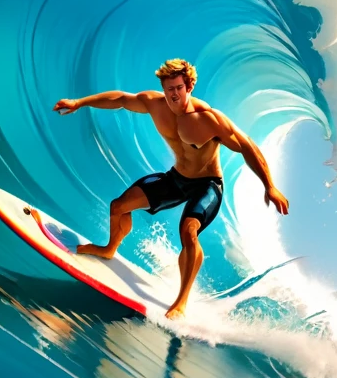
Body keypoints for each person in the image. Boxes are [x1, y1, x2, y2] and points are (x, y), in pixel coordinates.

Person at [53, 58, 289, 318]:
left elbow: (247, 146)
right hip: (176, 178)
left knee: (188, 232)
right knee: (118, 206)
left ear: (189, 86)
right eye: (168, 89)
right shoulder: (155, 105)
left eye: (178, 88)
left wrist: (270, 186)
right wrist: (79, 102)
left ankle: (182, 302)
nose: (173, 94)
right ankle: (109, 248)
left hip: (207, 185)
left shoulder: (208, 119)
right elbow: (119, 99)